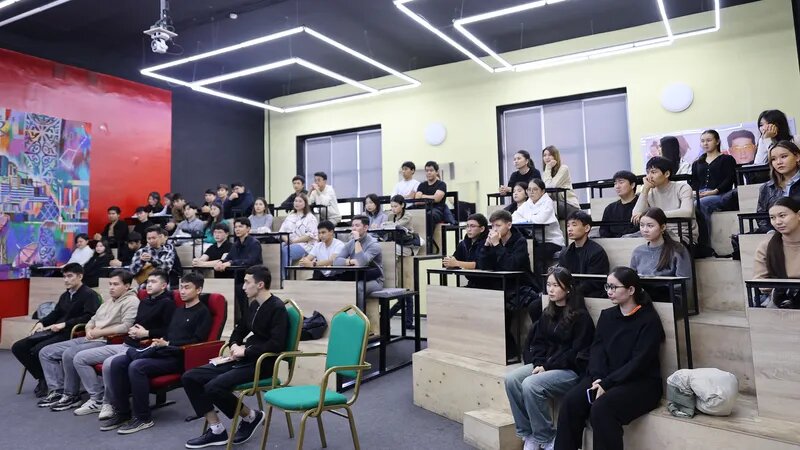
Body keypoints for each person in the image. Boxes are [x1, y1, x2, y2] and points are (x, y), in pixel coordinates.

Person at [555, 266, 665, 450]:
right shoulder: (607, 315)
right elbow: (597, 350)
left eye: (614, 287)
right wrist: (598, 377)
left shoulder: (648, 319)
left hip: (640, 382)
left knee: (602, 408)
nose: (609, 291)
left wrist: (607, 383)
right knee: (570, 402)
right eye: (607, 286)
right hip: (605, 377)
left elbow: (639, 362)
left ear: (631, 290)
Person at [182, 265, 288, 448]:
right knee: (190, 377)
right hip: (245, 358)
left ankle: (250, 417)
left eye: (247, 282)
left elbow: (277, 344)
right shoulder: (253, 304)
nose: (243, 286)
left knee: (213, 387)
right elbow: (239, 330)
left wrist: (245, 351)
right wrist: (234, 345)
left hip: (263, 363)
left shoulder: (277, 308)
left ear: (260, 284)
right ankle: (216, 429)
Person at [101, 272, 211, 434]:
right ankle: (123, 413)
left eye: (187, 288)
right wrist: (160, 341)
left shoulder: (203, 312)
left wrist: (168, 343)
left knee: (137, 366)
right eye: (181, 287)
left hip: (180, 356)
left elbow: (197, 341)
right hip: (163, 351)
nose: (182, 291)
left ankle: (143, 418)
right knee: (118, 363)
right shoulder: (179, 311)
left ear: (198, 290)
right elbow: (169, 333)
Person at [505, 267, 594, 450]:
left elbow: (575, 353)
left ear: (568, 288)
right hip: (546, 365)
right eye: (548, 285)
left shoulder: (581, 317)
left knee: (531, 385)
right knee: (511, 380)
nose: (550, 289)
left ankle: (546, 437)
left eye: (556, 285)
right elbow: (537, 343)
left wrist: (547, 366)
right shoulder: (548, 313)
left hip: (571, 371)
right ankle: (529, 433)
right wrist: (539, 362)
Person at [69, 270, 175, 417]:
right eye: (148, 282)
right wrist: (133, 330)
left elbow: (169, 331)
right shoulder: (145, 301)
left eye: (153, 282)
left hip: (141, 347)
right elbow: (136, 323)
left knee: (109, 363)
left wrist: (146, 333)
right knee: (79, 358)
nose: (149, 285)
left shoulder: (168, 303)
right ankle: (96, 399)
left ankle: (108, 403)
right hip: (127, 343)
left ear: (163, 285)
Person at [36, 269, 139, 410]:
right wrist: (89, 329)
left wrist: (99, 332)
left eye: (116, 284)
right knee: (46, 352)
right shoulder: (109, 301)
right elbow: (92, 319)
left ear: (127, 286)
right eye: (110, 284)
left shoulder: (132, 301)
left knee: (70, 354)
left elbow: (126, 327)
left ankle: (73, 395)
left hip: (108, 340)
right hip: (91, 336)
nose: (111, 287)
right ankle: (57, 391)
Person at [12, 263, 100, 397]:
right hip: (55, 330)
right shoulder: (66, 295)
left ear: (80, 276)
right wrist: (41, 322)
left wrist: (65, 324)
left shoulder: (89, 294)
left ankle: (46, 381)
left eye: (69, 276)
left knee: (38, 349)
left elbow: (90, 317)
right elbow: (56, 313)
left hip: (72, 333)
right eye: (64, 277)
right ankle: (42, 377)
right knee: (18, 347)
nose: (66, 280)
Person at [479, 210, 538, 360]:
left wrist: (497, 245)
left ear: (509, 225)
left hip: (521, 285)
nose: (494, 229)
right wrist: (486, 246)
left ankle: (512, 352)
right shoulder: (493, 241)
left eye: (498, 225)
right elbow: (483, 266)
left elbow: (511, 266)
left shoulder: (520, 241)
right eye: (492, 226)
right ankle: (502, 350)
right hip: (501, 285)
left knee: (502, 310)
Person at [690, 129, 737, 254]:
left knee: (700, 204)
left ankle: (704, 244)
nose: (705, 143)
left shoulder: (727, 159)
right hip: (700, 194)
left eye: (709, 140)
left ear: (717, 141)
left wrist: (715, 191)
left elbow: (729, 178)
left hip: (720, 194)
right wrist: (694, 192)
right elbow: (693, 182)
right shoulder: (697, 163)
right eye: (702, 141)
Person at [631, 156, 698, 245]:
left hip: (681, 234)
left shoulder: (682, 188)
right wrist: (645, 189)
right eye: (647, 172)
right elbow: (635, 215)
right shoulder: (649, 192)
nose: (649, 177)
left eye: (653, 172)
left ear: (666, 174)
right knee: (625, 240)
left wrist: (653, 215)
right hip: (655, 233)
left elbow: (687, 212)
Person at [513, 179, 566, 282]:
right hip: (537, 241)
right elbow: (513, 217)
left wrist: (525, 219)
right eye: (529, 189)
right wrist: (528, 219)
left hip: (552, 241)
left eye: (535, 189)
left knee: (536, 255)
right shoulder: (528, 203)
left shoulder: (547, 203)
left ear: (542, 191)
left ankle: (540, 286)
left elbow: (539, 220)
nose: (531, 192)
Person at [753, 198, 800, 308]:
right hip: (780, 299)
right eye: (772, 218)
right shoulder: (766, 246)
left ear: (798, 215)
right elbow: (760, 281)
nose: (777, 222)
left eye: (782, 216)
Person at [334, 214, 384, 303]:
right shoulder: (351, 243)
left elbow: (361, 263)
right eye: (353, 225)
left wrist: (357, 240)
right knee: (337, 285)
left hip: (374, 280)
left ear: (365, 228)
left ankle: (359, 312)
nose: (354, 228)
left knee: (358, 288)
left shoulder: (374, 244)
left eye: (357, 226)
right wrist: (349, 261)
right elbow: (336, 261)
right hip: (356, 276)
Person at [558, 211, 610, 298]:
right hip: (569, 292)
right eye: (568, 226)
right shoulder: (565, 253)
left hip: (590, 294)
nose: (569, 229)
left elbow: (595, 282)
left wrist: (571, 292)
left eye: (574, 225)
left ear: (586, 228)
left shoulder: (597, 252)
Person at [630, 207, 691, 279]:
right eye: (642, 225)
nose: (645, 230)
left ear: (663, 227)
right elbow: (631, 280)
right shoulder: (638, 252)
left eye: (650, 226)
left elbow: (685, 281)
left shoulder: (678, 249)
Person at [754, 141, 800, 232]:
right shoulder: (767, 188)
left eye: (784, 156)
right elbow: (762, 218)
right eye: (773, 159)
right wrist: (772, 232)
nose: (779, 162)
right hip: (776, 234)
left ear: (797, 157)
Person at [442, 213, 490, 288]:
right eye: (467, 226)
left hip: (488, 284)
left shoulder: (488, 242)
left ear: (482, 229)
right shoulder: (463, 243)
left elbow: (479, 265)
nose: (469, 229)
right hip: (471, 283)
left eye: (472, 226)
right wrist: (448, 261)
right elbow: (456, 258)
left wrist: (456, 263)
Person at [279, 193, 319, 270]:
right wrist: (287, 240)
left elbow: (310, 235)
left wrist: (294, 241)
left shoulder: (310, 217)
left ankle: (284, 275)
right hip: (290, 243)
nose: (297, 203)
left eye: (300, 201)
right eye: (295, 201)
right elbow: (282, 231)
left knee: (286, 250)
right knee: (278, 248)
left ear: (305, 203)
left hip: (305, 245)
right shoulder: (290, 216)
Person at [415, 160, 451, 240]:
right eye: (427, 171)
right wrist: (430, 197)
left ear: (436, 172)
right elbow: (417, 200)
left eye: (431, 170)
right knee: (410, 213)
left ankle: (428, 239)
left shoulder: (441, 184)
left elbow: (437, 199)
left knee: (429, 215)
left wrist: (423, 196)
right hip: (423, 208)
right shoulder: (422, 185)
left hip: (437, 210)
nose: (429, 173)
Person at [541, 146, 580, 218]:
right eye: (545, 155)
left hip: (569, 204)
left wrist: (548, 168)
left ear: (555, 156)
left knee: (548, 206)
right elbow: (547, 192)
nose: (547, 157)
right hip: (556, 204)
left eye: (550, 155)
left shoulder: (563, 168)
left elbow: (550, 186)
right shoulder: (546, 173)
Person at [599, 171, 640, 238]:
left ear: (632, 185)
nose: (617, 186)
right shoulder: (610, 208)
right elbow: (603, 230)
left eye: (621, 182)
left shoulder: (641, 205)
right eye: (615, 183)